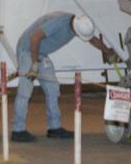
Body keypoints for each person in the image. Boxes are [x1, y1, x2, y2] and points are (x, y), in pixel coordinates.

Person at [11, 12, 116, 142]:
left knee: (53, 88)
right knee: (25, 91)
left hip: (41, 53)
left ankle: (54, 128)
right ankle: (18, 130)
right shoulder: (59, 22)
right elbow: (34, 38)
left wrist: (108, 51)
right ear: (75, 28)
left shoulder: (78, 23)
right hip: (28, 50)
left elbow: (92, 39)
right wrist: (34, 64)